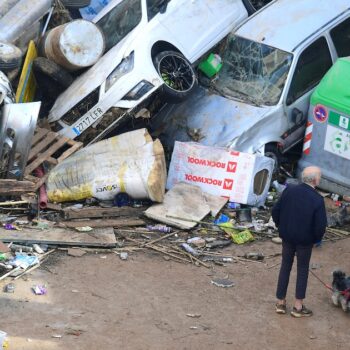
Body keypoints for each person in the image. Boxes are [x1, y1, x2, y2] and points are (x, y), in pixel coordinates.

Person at [272, 166, 327, 317]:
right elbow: (320, 225)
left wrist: (280, 226)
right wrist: (316, 239)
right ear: (315, 180)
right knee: (302, 270)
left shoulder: (289, 190)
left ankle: (281, 303)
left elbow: (275, 211)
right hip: (305, 241)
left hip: (287, 237)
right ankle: (297, 307)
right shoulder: (317, 199)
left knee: (285, 266)